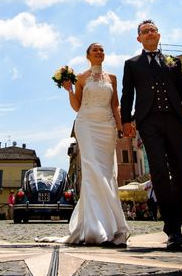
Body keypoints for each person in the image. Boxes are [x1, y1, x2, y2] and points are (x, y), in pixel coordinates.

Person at [120, 20, 182, 250]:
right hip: (149, 122)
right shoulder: (132, 64)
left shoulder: (173, 62)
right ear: (139, 38)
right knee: (158, 171)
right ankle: (173, 229)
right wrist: (126, 121)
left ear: (158, 35)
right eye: (145, 32)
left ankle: (176, 222)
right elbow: (126, 94)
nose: (149, 34)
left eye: (153, 30)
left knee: (181, 171)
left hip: (174, 121)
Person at [38, 43, 129, 246]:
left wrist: (121, 125)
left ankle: (112, 226)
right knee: (92, 170)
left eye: (102, 50)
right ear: (87, 55)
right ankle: (94, 228)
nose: (99, 52)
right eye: (95, 50)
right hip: (86, 124)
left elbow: (115, 104)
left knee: (107, 173)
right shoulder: (80, 78)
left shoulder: (112, 78)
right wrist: (70, 90)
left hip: (107, 126)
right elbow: (77, 106)